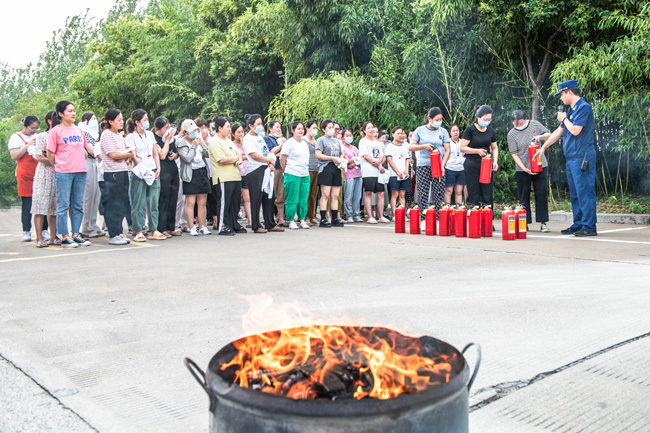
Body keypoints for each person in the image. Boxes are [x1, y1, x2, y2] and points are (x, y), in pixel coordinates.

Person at [534, 80, 597, 236]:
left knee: (585, 191)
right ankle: (579, 223)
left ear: (569, 92)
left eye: (562, 94)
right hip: (572, 157)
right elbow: (559, 131)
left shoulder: (584, 107)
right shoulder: (570, 111)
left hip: (582, 156)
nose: (561, 97)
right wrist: (543, 147)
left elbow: (575, 130)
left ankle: (589, 227)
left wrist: (563, 118)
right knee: (575, 193)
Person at [46, 100, 92, 248]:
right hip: (64, 172)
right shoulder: (56, 131)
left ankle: (75, 234)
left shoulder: (78, 130)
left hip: (80, 171)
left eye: (74, 110)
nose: (73, 113)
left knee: (78, 204)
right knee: (63, 205)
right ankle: (64, 236)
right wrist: (60, 165)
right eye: (70, 111)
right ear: (60, 114)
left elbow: (83, 149)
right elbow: (50, 153)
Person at [507, 110, 551, 232]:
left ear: (525, 119)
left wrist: (540, 137)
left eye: (520, 123)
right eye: (515, 124)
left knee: (541, 193)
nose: (518, 126)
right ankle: (524, 222)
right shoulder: (511, 134)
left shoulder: (534, 124)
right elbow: (514, 154)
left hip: (539, 165)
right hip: (523, 168)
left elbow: (549, 134)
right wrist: (524, 168)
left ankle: (543, 222)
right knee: (523, 196)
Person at [125, 109, 166, 241]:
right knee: (138, 202)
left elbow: (155, 153)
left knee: (154, 201)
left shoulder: (150, 134)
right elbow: (133, 155)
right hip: (139, 171)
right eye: (145, 120)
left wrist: (158, 168)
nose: (147, 122)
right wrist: (143, 168)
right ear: (137, 122)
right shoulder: (130, 137)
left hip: (152, 170)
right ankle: (138, 230)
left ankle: (154, 229)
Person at [243, 114, 284, 233]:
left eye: (261, 124)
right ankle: (256, 225)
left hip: (265, 169)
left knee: (268, 196)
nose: (260, 126)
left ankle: (270, 223)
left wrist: (270, 162)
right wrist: (269, 160)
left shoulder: (260, 138)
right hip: (255, 170)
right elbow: (254, 155)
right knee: (256, 198)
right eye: (258, 124)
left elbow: (266, 152)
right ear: (251, 126)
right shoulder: (248, 138)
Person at [99, 109, 133, 245]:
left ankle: (119, 232)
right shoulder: (106, 135)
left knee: (122, 203)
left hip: (123, 171)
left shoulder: (119, 136)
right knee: (113, 204)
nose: (122, 122)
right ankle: (113, 234)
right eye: (119, 120)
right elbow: (113, 155)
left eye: (122, 119)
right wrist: (127, 155)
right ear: (110, 121)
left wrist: (124, 155)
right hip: (112, 173)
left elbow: (124, 154)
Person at [208, 116, 246, 235]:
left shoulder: (228, 140)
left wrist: (239, 159)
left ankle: (233, 224)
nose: (229, 129)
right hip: (223, 177)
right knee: (224, 203)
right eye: (227, 126)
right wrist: (236, 158)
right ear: (219, 128)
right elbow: (221, 159)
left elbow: (239, 154)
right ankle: (223, 226)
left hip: (235, 176)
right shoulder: (214, 141)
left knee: (235, 202)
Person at [8, 116, 43, 242]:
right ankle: (26, 231)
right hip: (25, 174)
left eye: (36, 128)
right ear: (24, 126)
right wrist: (27, 145)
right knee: (27, 203)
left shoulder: (38, 136)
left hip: (39, 173)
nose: (34, 131)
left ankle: (44, 230)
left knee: (42, 203)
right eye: (32, 128)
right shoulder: (16, 137)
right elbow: (14, 156)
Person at [409, 107, 450, 212]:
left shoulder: (443, 131)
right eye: (437, 120)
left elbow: (447, 150)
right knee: (423, 192)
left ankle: (439, 216)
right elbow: (411, 147)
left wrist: (442, 165)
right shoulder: (420, 130)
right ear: (429, 119)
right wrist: (424, 146)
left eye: (441, 119)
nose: (439, 122)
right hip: (423, 164)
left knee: (439, 192)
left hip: (438, 165)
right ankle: (422, 216)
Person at [177, 119, 212, 236]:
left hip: (202, 171)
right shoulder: (181, 143)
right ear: (185, 132)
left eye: (195, 130)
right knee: (190, 202)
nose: (194, 133)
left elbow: (207, 154)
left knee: (202, 201)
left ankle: (202, 226)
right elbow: (187, 158)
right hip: (190, 173)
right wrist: (193, 146)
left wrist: (203, 143)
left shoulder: (199, 138)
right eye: (191, 131)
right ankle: (191, 227)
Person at [460, 105, 499, 208]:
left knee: (487, 192)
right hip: (472, 164)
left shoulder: (490, 130)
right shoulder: (470, 130)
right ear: (478, 117)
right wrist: (477, 151)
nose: (487, 121)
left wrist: (495, 161)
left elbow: (494, 147)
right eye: (485, 119)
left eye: (489, 119)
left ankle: (488, 216)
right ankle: (475, 215)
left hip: (486, 164)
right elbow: (462, 148)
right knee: (474, 192)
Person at [31, 112, 57, 248]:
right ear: (49, 121)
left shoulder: (61, 135)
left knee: (54, 208)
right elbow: (39, 156)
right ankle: (39, 238)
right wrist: (55, 161)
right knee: (40, 206)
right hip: (44, 174)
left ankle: (53, 237)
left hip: (58, 174)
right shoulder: (42, 136)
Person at [280, 121, 311, 229]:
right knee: (292, 198)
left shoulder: (304, 143)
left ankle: (302, 219)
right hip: (292, 173)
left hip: (305, 174)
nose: (301, 131)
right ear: (293, 130)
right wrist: (286, 170)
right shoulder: (289, 143)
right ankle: (291, 220)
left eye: (302, 128)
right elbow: (282, 158)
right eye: (298, 129)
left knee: (303, 198)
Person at [154, 116, 181, 237]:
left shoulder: (171, 138)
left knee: (173, 198)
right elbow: (162, 155)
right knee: (163, 200)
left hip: (173, 170)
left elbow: (175, 152)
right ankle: (161, 227)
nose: (168, 130)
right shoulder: (155, 139)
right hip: (163, 171)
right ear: (158, 128)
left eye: (169, 127)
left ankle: (171, 227)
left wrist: (176, 155)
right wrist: (167, 141)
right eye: (166, 128)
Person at [79, 112, 104, 237]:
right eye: (93, 119)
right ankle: (86, 227)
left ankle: (93, 224)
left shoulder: (97, 134)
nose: (95, 121)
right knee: (88, 195)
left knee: (96, 195)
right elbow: (92, 151)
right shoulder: (82, 132)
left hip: (97, 163)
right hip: (88, 162)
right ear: (86, 120)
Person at [315, 119, 344, 228]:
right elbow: (318, 154)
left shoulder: (337, 141)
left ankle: (334, 218)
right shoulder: (321, 140)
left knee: (335, 195)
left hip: (336, 168)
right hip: (326, 168)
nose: (332, 130)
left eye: (333, 127)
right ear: (324, 129)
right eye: (329, 127)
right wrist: (331, 158)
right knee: (325, 194)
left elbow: (342, 153)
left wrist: (340, 159)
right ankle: (323, 218)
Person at [359, 121, 388, 223]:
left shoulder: (378, 143)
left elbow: (382, 156)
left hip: (379, 172)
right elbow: (365, 156)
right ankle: (370, 216)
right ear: (364, 130)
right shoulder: (363, 141)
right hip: (368, 171)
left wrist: (380, 162)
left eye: (372, 127)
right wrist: (378, 165)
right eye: (368, 128)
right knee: (368, 193)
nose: (371, 130)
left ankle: (380, 216)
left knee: (381, 193)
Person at [265, 120, 288, 226]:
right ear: (270, 128)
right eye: (277, 127)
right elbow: (270, 152)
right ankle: (270, 218)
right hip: (272, 169)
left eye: (280, 127)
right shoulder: (267, 139)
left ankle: (281, 218)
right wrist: (281, 146)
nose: (279, 129)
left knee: (281, 194)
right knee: (272, 193)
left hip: (282, 168)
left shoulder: (278, 140)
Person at [385, 126, 411, 219]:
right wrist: (397, 171)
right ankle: (395, 214)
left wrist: (406, 170)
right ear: (393, 134)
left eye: (402, 133)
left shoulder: (404, 146)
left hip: (404, 174)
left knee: (402, 195)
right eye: (398, 133)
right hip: (394, 174)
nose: (400, 135)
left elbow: (407, 159)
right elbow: (389, 160)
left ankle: (402, 214)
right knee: (394, 194)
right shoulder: (390, 146)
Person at [341, 129, 363, 223]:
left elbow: (360, 159)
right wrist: (354, 161)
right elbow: (345, 162)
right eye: (347, 135)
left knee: (357, 196)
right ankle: (348, 214)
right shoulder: (342, 148)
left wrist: (353, 162)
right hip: (348, 175)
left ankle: (356, 214)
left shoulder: (354, 148)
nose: (349, 137)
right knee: (348, 196)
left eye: (350, 135)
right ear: (342, 138)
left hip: (358, 174)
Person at [232, 123, 252, 227]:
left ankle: (250, 221)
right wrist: (243, 157)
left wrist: (242, 156)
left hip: (246, 172)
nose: (240, 134)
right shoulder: (231, 145)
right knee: (235, 199)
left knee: (247, 198)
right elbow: (234, 157)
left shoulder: (246, 144)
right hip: (236, 173)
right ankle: (234, 220)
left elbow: (250, 154)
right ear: (233, 134)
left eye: (242, 132)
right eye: (238, 132)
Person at [441, 124, 466, 205]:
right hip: (449, 168)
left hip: (461, 169)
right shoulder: (447, 142)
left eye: (457, 130)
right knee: (449, 190)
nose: (455, 132)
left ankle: (459, 209)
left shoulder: (463, 142)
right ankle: (447, 208)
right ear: (450, 133)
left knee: (459, 191)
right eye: (453, 131)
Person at [304, 120, 320, 225]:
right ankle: (304, 216)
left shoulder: (316, 141)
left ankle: (312, 215)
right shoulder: (303, 140)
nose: (315, 130)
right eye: (313, 128)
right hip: (307, 169)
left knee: (314, 194)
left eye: (316, 128)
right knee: (306, 194)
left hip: (316, 169)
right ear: (307, 129)